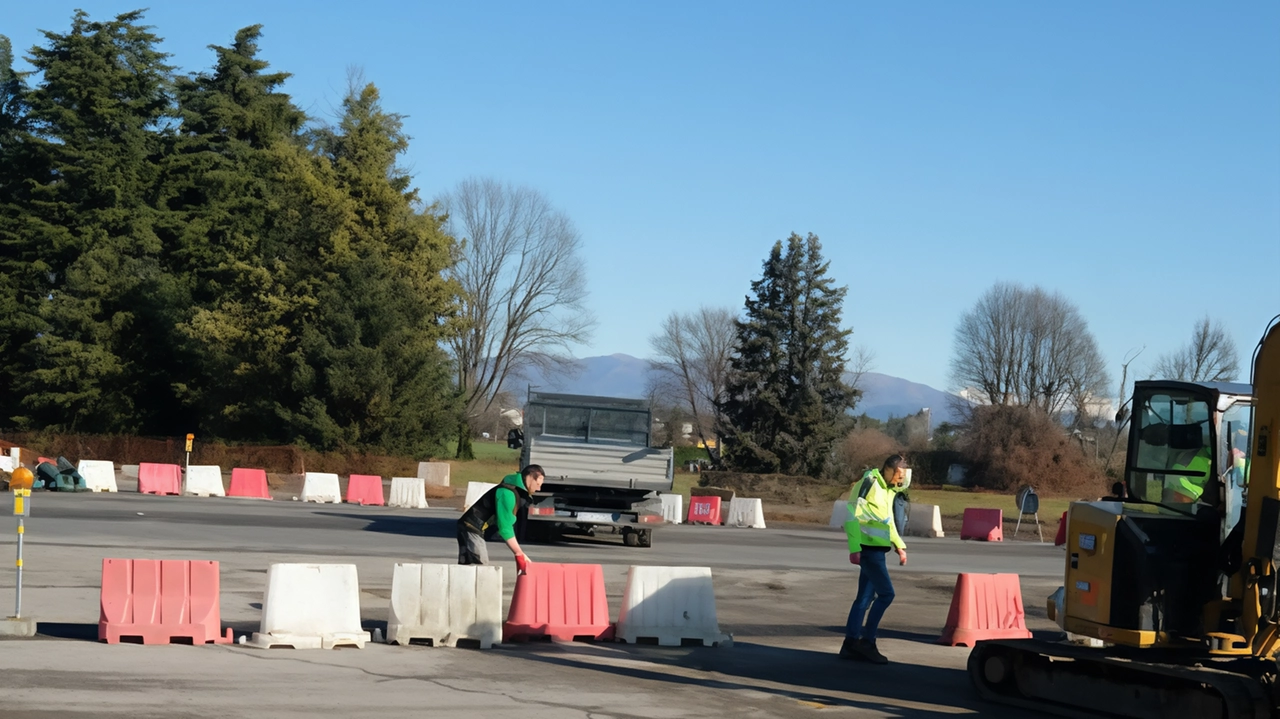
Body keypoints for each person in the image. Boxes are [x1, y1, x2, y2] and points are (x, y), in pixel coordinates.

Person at [841, 455, 908, 664]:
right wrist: (854, 548)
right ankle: (867, 642)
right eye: (899, 474)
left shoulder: (888, 491)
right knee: (887, 594)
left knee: (863, 599)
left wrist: (899, 545)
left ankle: (850, 644)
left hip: (878, 550)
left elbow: (887, 521)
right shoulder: (869, 483)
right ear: (889, 470)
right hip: (867, 550)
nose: (900, 480)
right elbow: (852, 513)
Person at [456, 464, 545, 572]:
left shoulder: (515, 490)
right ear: (530, 477)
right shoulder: (507, 493)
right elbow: (505, 528)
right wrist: (519, 553)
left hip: (475, 528)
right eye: (538, 484)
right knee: (479, 567)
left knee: (474, 569)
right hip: (471, 527)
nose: (539, 488)